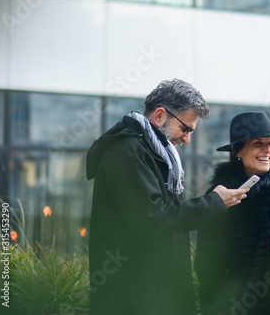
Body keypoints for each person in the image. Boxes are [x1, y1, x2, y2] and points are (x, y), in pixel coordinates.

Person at [86, 79, 249, 315]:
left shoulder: (153, 152)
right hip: (134, 299)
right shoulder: (127, 151)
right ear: (160, 116)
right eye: (185, 129)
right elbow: (154, 217)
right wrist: (215, 202)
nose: (187, 139)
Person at [195, 111, 270, 315]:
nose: (268, 150)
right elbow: (207, 266)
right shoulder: (220, 197)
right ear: (237, 151)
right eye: (258, 143)